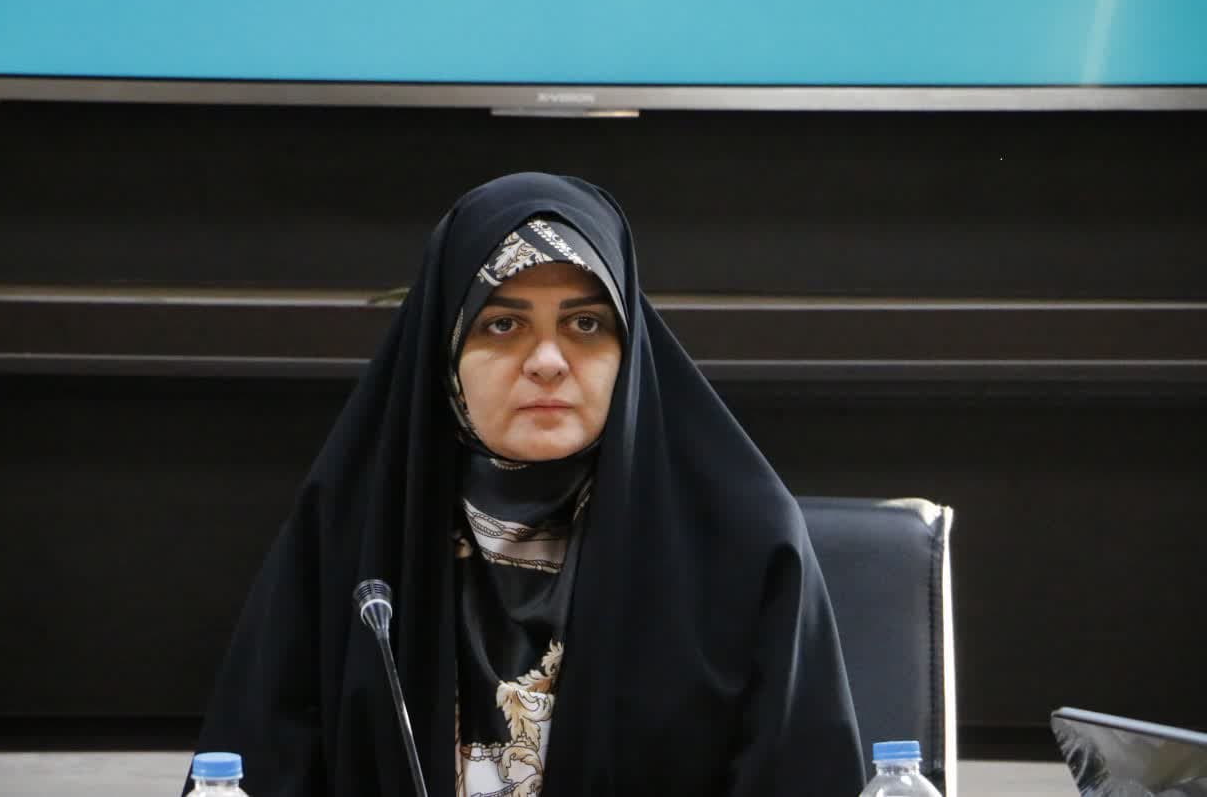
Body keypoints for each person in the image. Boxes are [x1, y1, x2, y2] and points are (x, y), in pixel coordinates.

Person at [189, 172, 865, 796]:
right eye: (503, 323)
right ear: (445, 349)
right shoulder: (349, 532)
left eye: (586, 323)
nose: (547, 360)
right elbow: (251, 771)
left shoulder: (742, 544)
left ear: (628, 347)